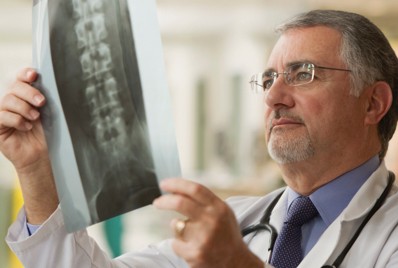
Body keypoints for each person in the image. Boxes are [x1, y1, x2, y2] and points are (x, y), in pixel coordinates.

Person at [1, 9, 398, 268]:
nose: (274, 96)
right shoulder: (237, 221)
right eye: (268, 79)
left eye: (303, 74)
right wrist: (35, 170)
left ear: (372, 104)